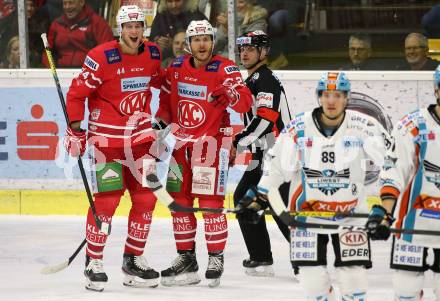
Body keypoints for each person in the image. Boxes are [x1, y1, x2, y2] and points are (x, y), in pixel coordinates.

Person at [237, 72, 391, 300]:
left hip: (351, 216)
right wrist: (260, 197)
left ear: (346, 97)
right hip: (306, 218)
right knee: (313, 285)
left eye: (337, 95)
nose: (331, 101)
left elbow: (393, 164)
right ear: (319, 96)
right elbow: (276, 169)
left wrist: (384, 209)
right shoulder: (298, 128)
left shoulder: (365, 126)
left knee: (353, 282)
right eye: (326, 94)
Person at [63, 5, 163, 291]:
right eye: (129, 26)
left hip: (142, 140)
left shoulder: (153, 53)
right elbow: (76, 93)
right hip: (107, 141)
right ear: (120, 28)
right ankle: (94, 260)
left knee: (146, 199)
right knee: (107, 202)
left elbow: (161, 82)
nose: (134, 31)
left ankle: (133, 259)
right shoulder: (101, 57)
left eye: (139, 26)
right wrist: (75, 128)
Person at [155, 20, 252, 287]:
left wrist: (230, 92)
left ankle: (215, 257)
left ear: (212, 42)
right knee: (179, 203)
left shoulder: (225, 68)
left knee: (210, 205)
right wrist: (157, 126)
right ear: (188, 43)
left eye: (206, 39)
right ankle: (186, 257)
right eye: (196, 40)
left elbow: (246, 102)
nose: (202, 44)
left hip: (210, 148)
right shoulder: (175, 67)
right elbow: (165, 104)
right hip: (180, 149)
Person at [366, 65, 440, 300]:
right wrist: (385, 213)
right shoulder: (413, 125)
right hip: (413, 226)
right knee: (405, 290)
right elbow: (394, 171)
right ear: (437, 91)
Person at [232, 30, 293, 276]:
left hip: (277, 156)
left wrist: (239, 141)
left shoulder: (264, 79)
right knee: (249, 201)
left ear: (264, 52)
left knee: (277, 207)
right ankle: (261, 257)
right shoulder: (254, 79)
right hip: (265, 155)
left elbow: (266, 119)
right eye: (242, 49)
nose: (244, 53)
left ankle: (305, 256)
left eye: (250, 48)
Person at [42, 0, 114, 68]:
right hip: (61, 71)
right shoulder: (56, 24)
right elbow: (47, 51)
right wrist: (49, 68)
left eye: (71, 3)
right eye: (65, 3)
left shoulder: (97, 23)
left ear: (82, 2)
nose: (67, 7)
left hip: (89, 72)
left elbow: (108, 51)